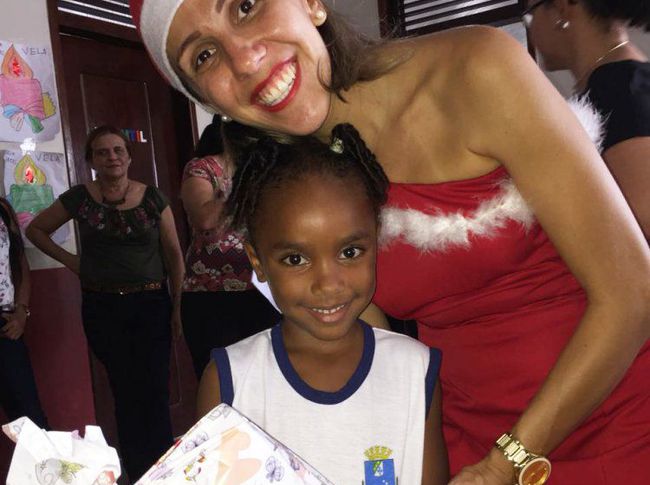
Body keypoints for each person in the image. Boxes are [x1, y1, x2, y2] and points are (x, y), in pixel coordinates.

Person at [131, 1, 650, 483]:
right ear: (205, 99)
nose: (245, 60)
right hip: (459, 439)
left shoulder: (476, 69)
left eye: (246, 5)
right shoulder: (298, 184)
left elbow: (632, 291)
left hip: (613, 419)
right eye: (204, 56)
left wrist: (506, 462)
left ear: (311, 2)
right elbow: (367, 349)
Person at [197, 123, 448, 484]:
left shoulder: (414, 370)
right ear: (258, 262)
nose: (329, 284)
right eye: (296, 259)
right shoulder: (231, 380)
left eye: (350, 252)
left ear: (376, 242)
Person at [26, 125, 184, 481]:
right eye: (102, 152)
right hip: (104, 308)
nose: (112, 157)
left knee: (155, 390)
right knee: (125, 393)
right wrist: (72, 261)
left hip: (151, 305)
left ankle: (164, 472)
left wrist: (178, 306)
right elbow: (35, 229)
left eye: (118, 150)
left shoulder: (154, 198)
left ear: (128, 157)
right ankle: (136, 472)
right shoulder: (80, 198)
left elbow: (174, 256)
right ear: (92, 161)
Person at [524, 0, 650, 239]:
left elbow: (644, 217)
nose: (531, 29)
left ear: (561, 8)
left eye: (530, 15)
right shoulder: (620, 81)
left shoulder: (619, 90)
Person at [180, 115, 280, 378]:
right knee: (220, 377)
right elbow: (205, 219)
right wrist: (245, 185)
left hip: (264, 289)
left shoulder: (269, 169)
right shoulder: (202, 168)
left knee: (267, 375)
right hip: (213, 296)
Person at [0, 197, 48, 429]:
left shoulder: (2, 208)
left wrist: (21, 310)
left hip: (6, 323)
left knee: (30, 420)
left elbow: (20, 263)